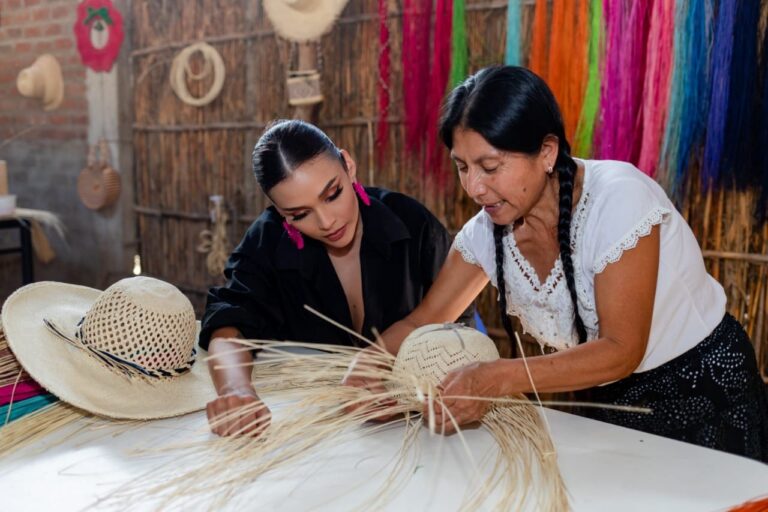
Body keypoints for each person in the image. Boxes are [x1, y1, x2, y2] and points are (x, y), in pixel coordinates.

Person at [345, 66, 768, 462]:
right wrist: (370, 363)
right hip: (606, 402)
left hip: (703, 388)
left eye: (490, 167)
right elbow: (424, 321)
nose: (474, 187)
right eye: (462, 167)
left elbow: (622, 350)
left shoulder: (618, 200)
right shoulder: (486, 233)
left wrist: (496, 378)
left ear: (546, 152)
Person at [201, 119, 473, 437]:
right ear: (279, 211)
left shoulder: (412, 225)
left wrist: (408, 398)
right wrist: (237, 391)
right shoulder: (269, 241)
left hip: (422, 432)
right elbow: (229, 321)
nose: (327, 221)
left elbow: (456, 331)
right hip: (314, 433)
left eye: (332, 194)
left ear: (349, 165)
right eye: (299, 214)